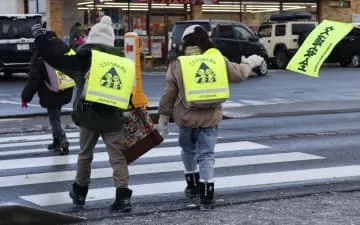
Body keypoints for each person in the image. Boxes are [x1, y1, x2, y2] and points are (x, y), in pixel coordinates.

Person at [31, 16, 133, 212]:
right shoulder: (123, 63)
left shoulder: (84, 59)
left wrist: (41, 39)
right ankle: (123, 196)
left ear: (91, 39)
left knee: (85, 155)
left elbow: (56, 59)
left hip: (89, 116)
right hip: (114, 117)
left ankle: (80, 192)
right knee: (118, 157)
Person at [158, 25, 265, 211]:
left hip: (185, 118)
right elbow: (238, 74)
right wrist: (250, 63)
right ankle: (207, 197)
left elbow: (169, 93)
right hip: (210, 118)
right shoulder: (217, 60)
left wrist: (163, 118)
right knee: (206, 155)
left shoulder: (177, 64)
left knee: (188, 151)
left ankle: (192, 187)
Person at [21, 50, 73, 155]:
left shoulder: (40, 60)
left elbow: (33, 83)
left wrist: (25, 98)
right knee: (56, 115)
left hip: (50, 93)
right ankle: (56, 141)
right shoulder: (61, 53)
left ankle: (63, 140)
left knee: (54, 119)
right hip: (64, 90)